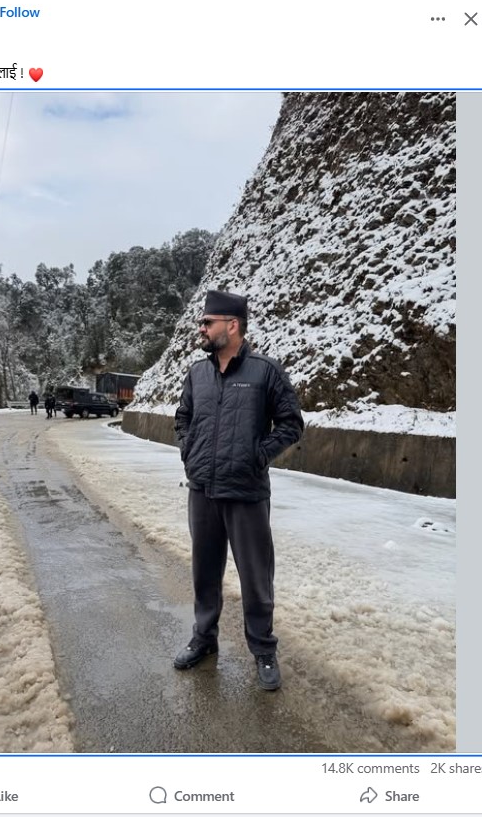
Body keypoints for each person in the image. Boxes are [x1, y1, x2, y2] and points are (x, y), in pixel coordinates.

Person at [174, 289, 304, 690]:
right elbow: (183, 417)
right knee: (204, 572)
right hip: (203, 489)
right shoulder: (197, 373)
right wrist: (189, 451)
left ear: (232, 326)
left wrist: (256, 456)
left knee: (256, 577)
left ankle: (263, 649)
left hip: (246, 492)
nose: (201, 328)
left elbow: (291, 424)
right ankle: (204, 638)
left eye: (207, 322)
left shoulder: (265, 372)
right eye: (201, 322)